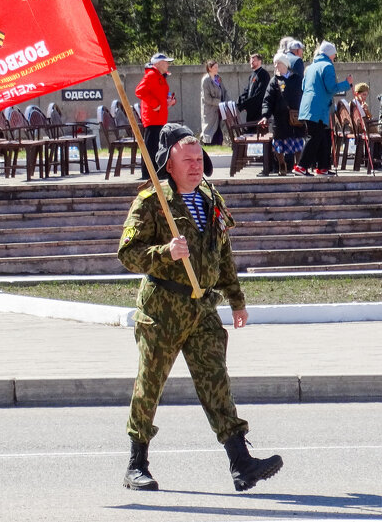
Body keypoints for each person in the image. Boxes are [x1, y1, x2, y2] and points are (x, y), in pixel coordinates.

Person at [118, 123, 283, 493]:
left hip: (202, 308)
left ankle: (241, 464)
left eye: (198, 159)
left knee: (216, 382)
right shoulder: (152, 201)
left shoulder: (210, 197)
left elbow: (223, 253)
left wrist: (237, 300)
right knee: (150, 385)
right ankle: (136, 464)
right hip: (162, 308)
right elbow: (127, 253)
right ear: (169, 164)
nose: (196, 166)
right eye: (187, 160)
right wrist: (165, 252)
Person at [296, 41, 351, 177]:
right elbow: (332, 88)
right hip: (318, 108)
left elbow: (304, 87)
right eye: (334, 55)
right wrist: (347, 83)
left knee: (322, 136)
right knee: (315, 136)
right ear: (330, 54)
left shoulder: (311, 67)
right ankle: (301, 166)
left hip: (308, 106)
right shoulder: (328, 66)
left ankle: (322, 167)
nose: (334, 57)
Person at [258, 51, 305, 175]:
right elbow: (267, 100)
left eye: (278, 63)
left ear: (284, 64)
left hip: (295, 117)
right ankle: (281, 164)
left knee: (297, 142)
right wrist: (265, 115)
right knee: (278, 144)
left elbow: (305, 95)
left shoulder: (297, 79)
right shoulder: (274, 81)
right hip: (280, 119)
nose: (276, 66)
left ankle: (299, 165)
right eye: (275, 63)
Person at [135, 53, 177, 174]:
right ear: (158, 64)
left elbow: (161, 94)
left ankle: (154, 173)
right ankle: (147, 173)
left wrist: (168, 101)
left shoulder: (160, 76)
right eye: (165, 62)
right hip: (152, 118)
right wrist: (155, 104)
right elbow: (139, 91)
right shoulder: (152, 75)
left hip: (159, 117)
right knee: (150, 147)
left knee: (156, 146)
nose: (168, 64)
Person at [236, 53, 270, 123]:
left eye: (254, 60)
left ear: (260, 61)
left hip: (259, 111)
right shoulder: (252, 75)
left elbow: (259, 94)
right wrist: (239, 102)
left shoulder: (264, 75)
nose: (251, 62)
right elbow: (247, 91)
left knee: (257, 132)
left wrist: (245, 105)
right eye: (250, 60)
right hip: (250, 111)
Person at [200, 60, 227, 145]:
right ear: (209, 68)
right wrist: (219, 102)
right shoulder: (205, 80)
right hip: (210, 110)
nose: (217, 69)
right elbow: (206, 98)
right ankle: (208, 144)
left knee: (219, 128)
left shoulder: (218, 78)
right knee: (209, 130)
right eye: (215, 67)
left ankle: (219, 144)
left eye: (217, 67)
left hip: (219, 109)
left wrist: (226, 102)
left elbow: (224, 91)